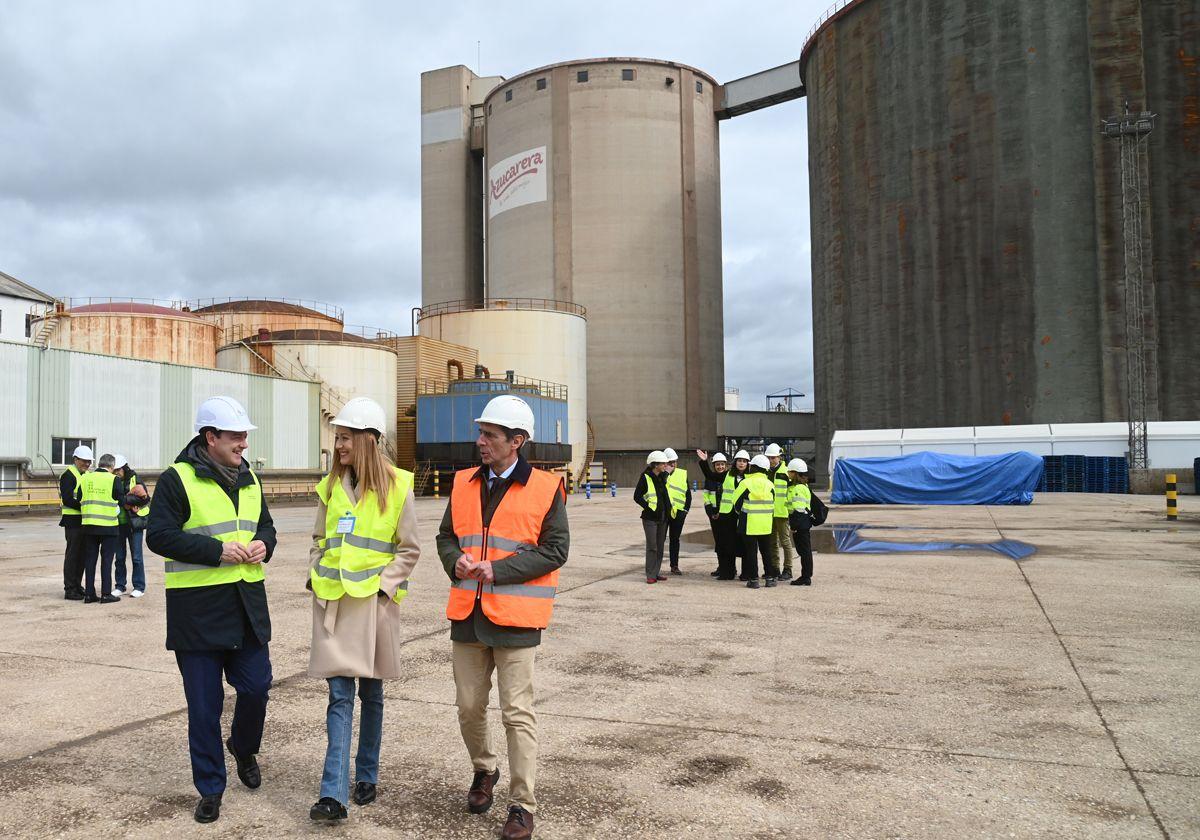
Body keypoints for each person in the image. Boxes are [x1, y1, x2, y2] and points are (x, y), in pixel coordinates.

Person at [436, 394, 569, 840]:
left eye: (490, 435)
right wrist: (453, 560)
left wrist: (498, 569)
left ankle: (521, 804)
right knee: (469, 707)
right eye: (481, 433)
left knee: (517, 713)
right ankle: (484, 769)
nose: (481, 442)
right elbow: (445, 536)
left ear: (517, 441)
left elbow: (556, 550)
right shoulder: (462, 483)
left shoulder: (546, 488)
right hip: (468, 616)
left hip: (517, 618)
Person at [146, 395, 276, 825]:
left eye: (244, 436)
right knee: (204, 707)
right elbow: (159, 536)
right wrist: (216, 551)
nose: (243, 443)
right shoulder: (177, 480)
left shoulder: (249, 478)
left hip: (246, 607)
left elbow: (266, 527)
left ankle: (243, 745)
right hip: (198, 612)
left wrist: (264, 545)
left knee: (256, 687)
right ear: (210, 437)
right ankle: (210, 788)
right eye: (236, 436)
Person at [307, 398, 421, 822]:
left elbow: (409, 550)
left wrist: (383, 590)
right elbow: (319, 540)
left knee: (371, 694)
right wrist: (315, 572)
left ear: (368, 440)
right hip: (334, 603)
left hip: (373, 607)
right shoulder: (330, 487)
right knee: (339, 695)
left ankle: (366, 774)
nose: (338, 446)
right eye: (337, 437)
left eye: (345, 438)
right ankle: (332, 794)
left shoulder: (399, 487)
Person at [79, 453, 124, 603]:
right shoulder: (114, 479)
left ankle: (89, 594)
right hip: (108, 527)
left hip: (88, 526)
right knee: (106, 561)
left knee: (90, 560)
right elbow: (121, 500)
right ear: (111, 466)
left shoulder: (85, 477)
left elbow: (79, 497)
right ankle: (106, 594)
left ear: (99, 464)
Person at [730, 454, 777, 589]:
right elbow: (773, 502)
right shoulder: (770, 485)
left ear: (753, 467)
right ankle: (770, 578)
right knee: (766, 551)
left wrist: (743, 513)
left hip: (748, 523)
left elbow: (736, 504)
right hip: (766, 524)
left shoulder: (745, 483)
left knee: (751, 553)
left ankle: (753, 580)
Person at [695, 450, 738, 580]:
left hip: (727, 515)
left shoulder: (729, 477)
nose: (720, 467)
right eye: (717, 465)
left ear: (726, 465)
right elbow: (707, 496)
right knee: (719, 543)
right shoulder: (711, 479)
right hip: (714, 515)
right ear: (714, 466)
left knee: (729, 543)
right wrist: (711, 512)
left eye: (722, 464)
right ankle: (722, 567)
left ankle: (731, 568)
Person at [112, 455, 149, 599]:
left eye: (118, 470)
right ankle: (120, 586)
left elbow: (145, 498)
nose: (116, 473)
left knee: (137, 557)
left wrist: (124, 500)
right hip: (117, 524)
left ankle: (139, 586)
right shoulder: (111, 480)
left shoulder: (135, 479)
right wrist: (124, 500)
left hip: (134, 524)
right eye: (114, 470)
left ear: (124, 468)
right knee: (119, 557)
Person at [59, 444, 92, 600]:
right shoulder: (68, 475)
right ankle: (69, 589)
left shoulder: (86, 475)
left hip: (84, 521)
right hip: (72, 521)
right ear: (75, 459)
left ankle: (78, 585)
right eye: (84, 461)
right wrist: (85, 507)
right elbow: (67, 499)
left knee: (82, 556)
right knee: (72, 555)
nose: (87, 464)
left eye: (89, 462)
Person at [635, 451, 672, 584]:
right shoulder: (645, 477)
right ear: (655, 464)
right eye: (663, 463)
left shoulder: (662, 477)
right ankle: (650, 574)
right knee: (652, 546)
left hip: (663, 517)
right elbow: (637, 496)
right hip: (650, 518)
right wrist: (648, 507)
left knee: (660, 546)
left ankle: (656, 572)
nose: (665, 465)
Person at [764, 443, 796, 581]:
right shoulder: (765, 472)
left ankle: (788, 569)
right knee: (772, 542)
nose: (771, 460)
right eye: (769, 458)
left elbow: (792, 492)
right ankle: (775, 569)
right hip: (768, 513)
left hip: (782, 513)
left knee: (785, 542)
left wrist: (791, 511)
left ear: (779, 457)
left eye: (773, 458)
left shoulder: (786, 472)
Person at [661, 448, 691, 575]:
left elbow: (688, 494)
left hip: (678, 513)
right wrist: (665, 474)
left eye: (674, 462)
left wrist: (685, 510)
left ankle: (674, 565)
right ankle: (656, 565)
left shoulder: (682, 474)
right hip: (664, 512)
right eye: (670, 462)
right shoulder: (660, 475)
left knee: (675, 539)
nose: (673, 464)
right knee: (660, 539)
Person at [787, 458, 815, 586]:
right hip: (804, 522)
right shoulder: (803, 486)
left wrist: (793, 526)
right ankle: (806, 576)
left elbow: (798, 510)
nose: (788, 474)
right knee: (805, 551)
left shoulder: (798, 488)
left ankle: (806, 577)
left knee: (804, 551)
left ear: (795, 473)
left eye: (790, 471)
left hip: (800, 523)